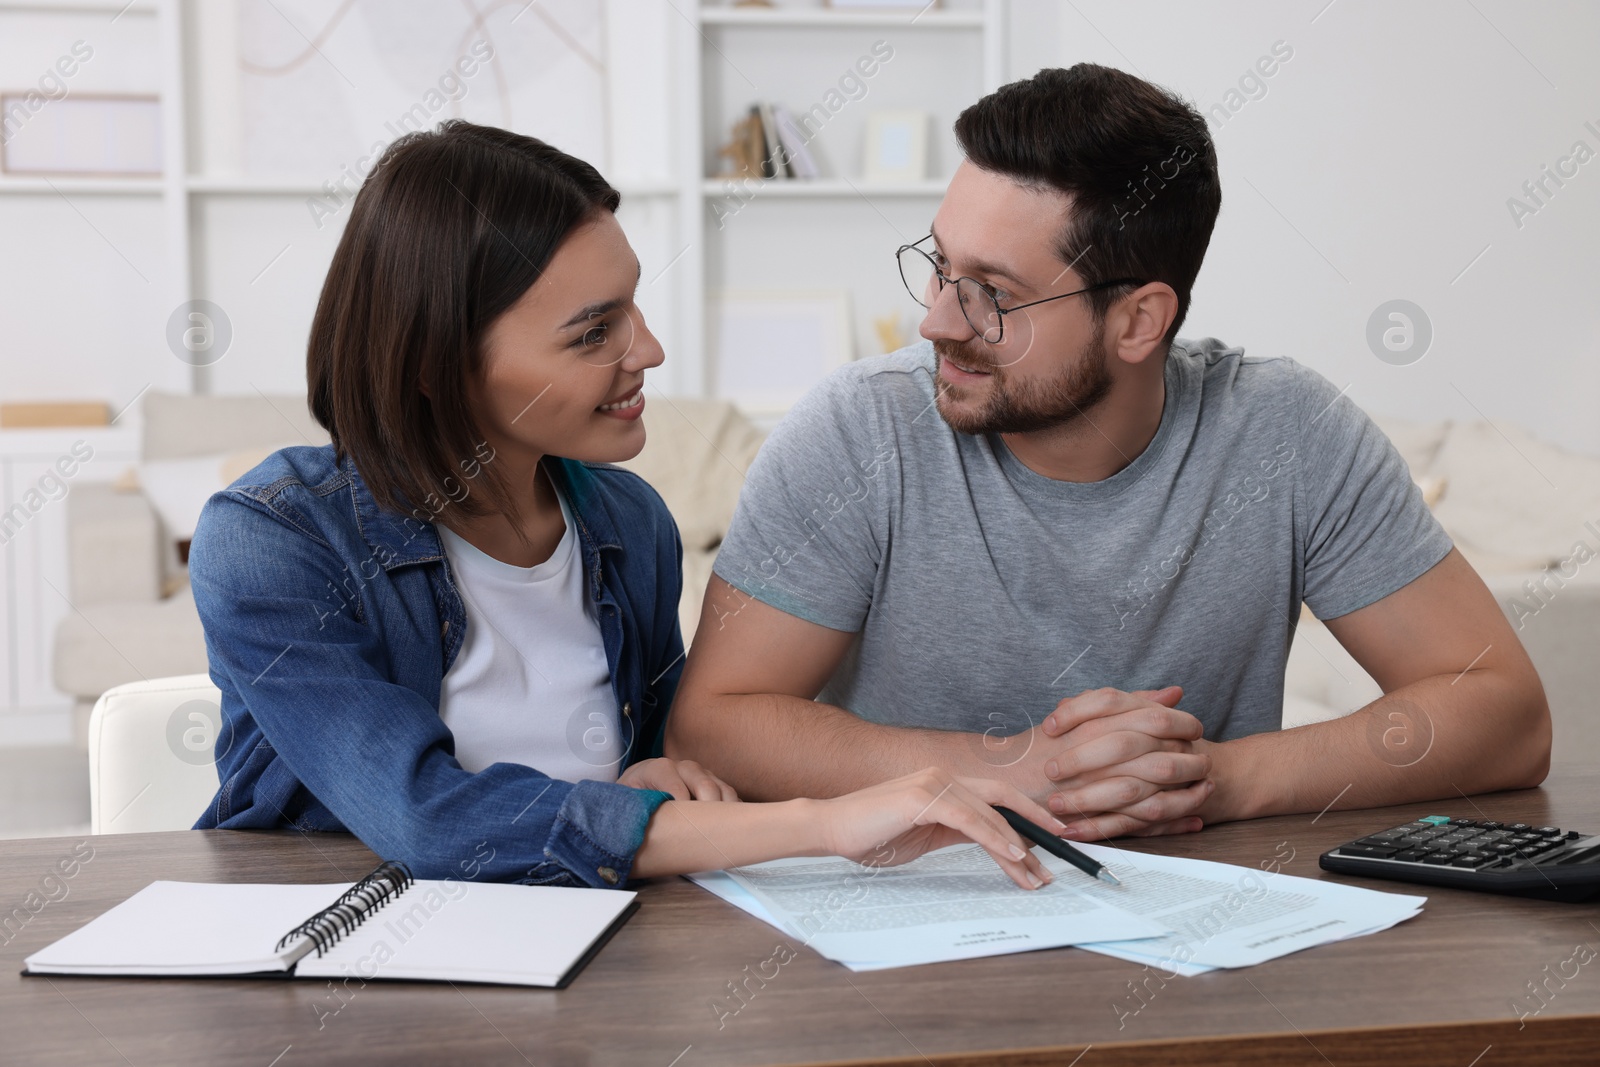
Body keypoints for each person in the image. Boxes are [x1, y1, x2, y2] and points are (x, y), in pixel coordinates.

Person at [667, 64, 1550, 838]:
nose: (937, 319)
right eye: (939, 265)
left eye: (993, 295)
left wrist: (1218, 777)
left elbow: (1505, 716)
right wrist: (1011, 768)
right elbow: (713, 725)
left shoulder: (1288, 432)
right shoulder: (856, 433)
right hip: (910, 918)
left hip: (1204, 931)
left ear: (1138, 321)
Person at [188, 120, 1062, 891]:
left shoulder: (627, 523)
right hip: (340, 955)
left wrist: (652, 779)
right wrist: (826, 821)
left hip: (595, 952)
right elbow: (426, 816)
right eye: (592, 331)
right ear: (435, 364)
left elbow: (656, 764)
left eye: (632, 306)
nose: (648, 347)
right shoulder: (273, 540)